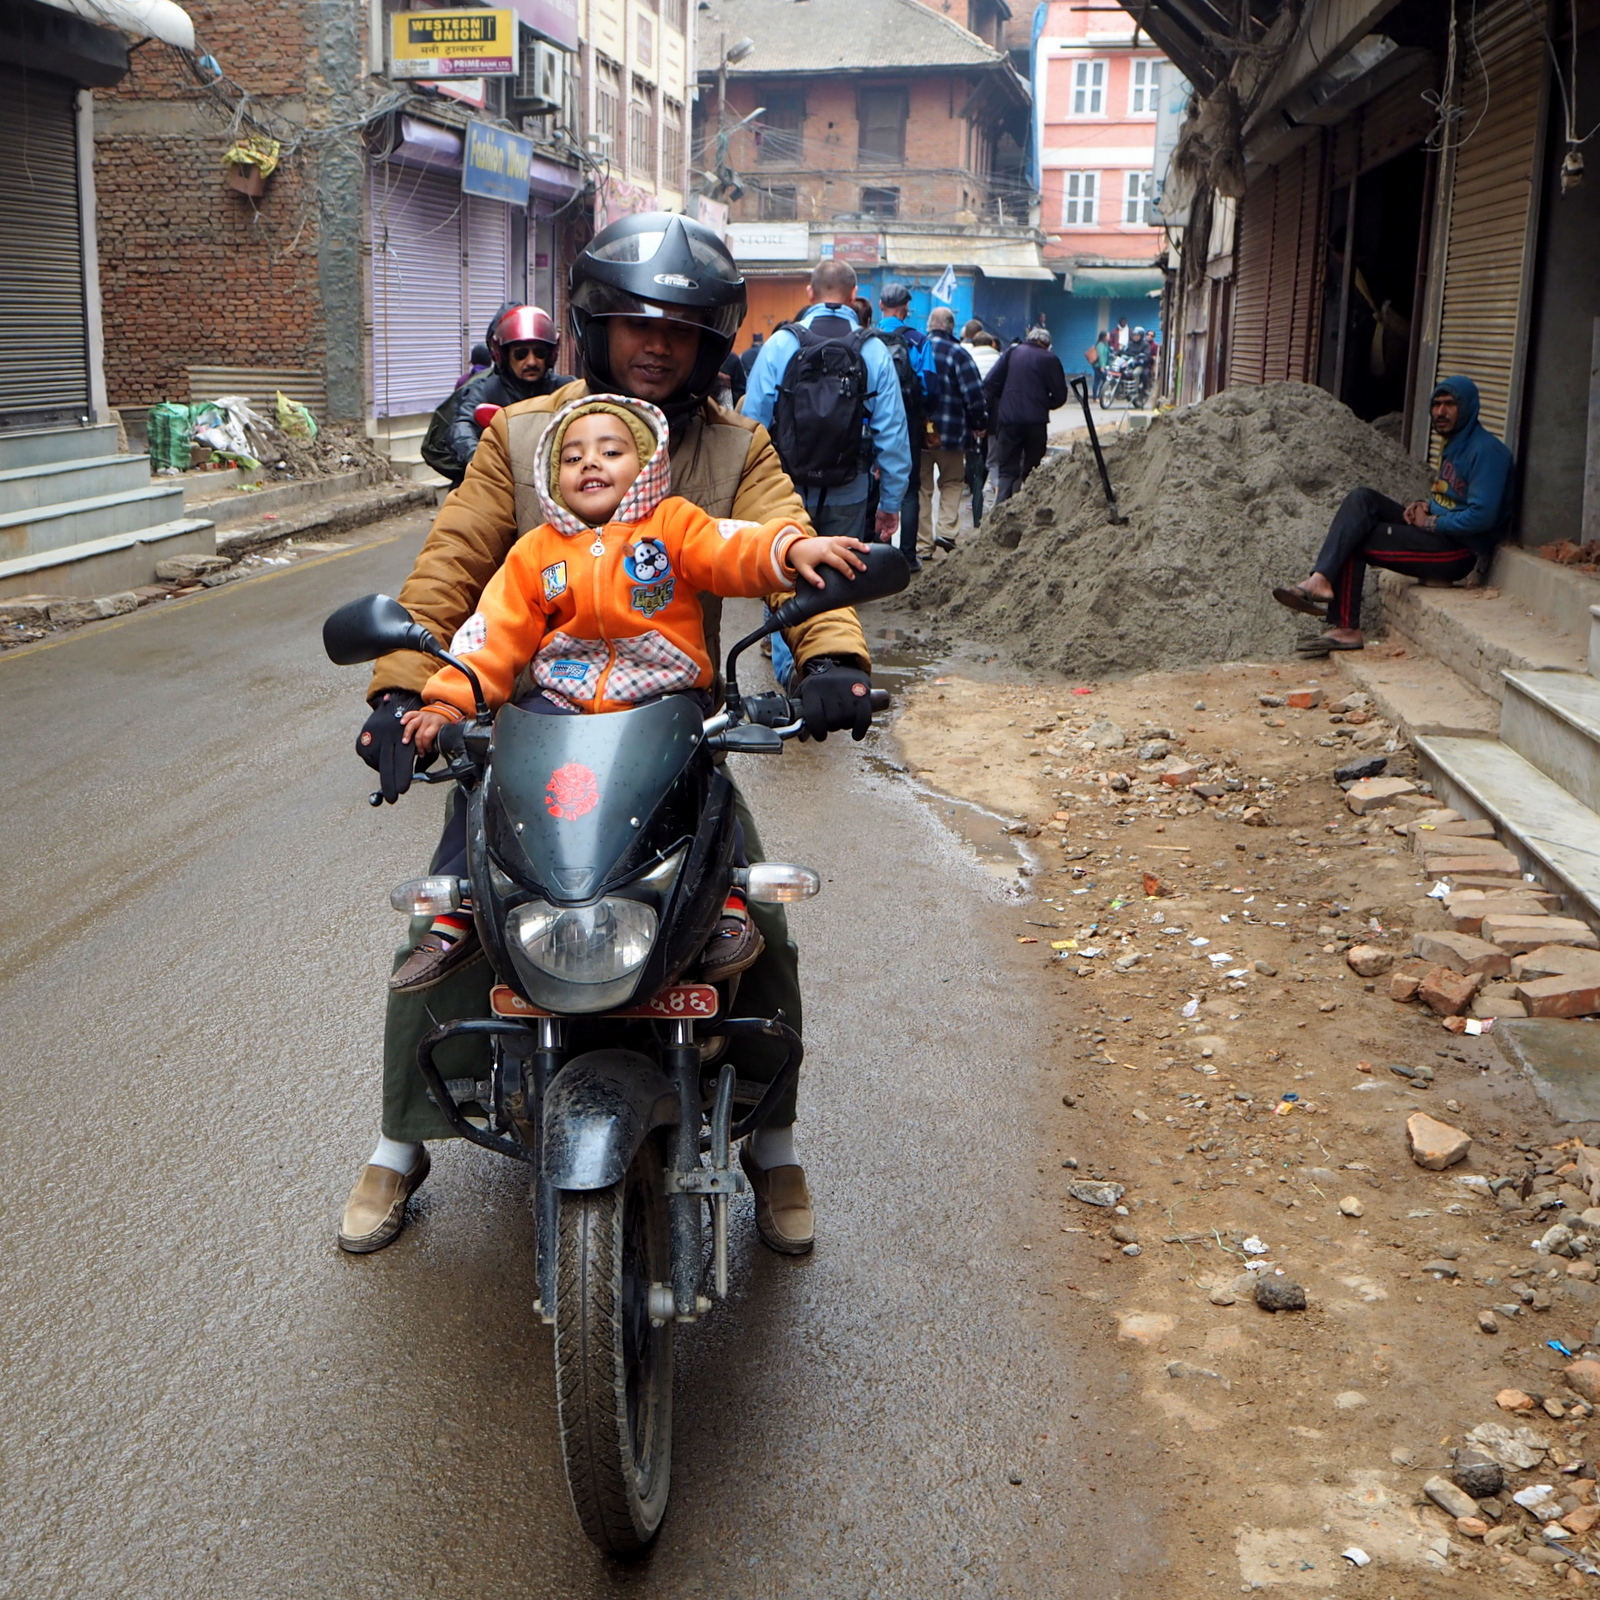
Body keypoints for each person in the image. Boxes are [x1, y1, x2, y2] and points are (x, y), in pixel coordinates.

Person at [343, 213, 877, 1260]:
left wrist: (832, 660)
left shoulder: (734, 446)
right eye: (636, 323)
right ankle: (399, 1141)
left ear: (710, 344)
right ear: (593, 326)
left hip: (670, 734)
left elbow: (783, 549)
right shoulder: (521, 436)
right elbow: (453, 567)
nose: (657, 345)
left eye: (681, 329)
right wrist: (402, 692)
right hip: (535, 732)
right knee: (450, 910)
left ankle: (772, 1143)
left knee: (757, 917)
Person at [396, 395, 869, 986]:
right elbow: (491, 634)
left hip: (662, 697)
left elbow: (732, 546)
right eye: (572, 457)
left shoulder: (673, 525)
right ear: (552, 476)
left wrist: (790, 549)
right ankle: (459, 905)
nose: (590, 463)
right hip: (561, 702)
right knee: (490, 780)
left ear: (646, 465)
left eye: (610, 451)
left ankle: (726, 899)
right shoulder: (535, 551)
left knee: (704, 780)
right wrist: (446, 703)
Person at [1271, 376, 1514, 658]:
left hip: (1459, 551)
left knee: (1358, 539)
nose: (1440, 412)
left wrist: (1432, 522)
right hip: (1437, 532)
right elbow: (1452, 497)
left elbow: (1482, 516)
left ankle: (1346, 628)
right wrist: (1426, 506)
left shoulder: (1487, 452)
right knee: (1362, 499)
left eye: (1450, 404)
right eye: (1436, 404)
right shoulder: (1455, 443)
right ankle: (1320, 578)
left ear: (1468, 407)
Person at [741, 258, 909, 549]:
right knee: (841, 572)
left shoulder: (780, 344)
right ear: (853, 295)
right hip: (849, 489)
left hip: (786, 492)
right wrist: (890, 503)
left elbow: (752, 424)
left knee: (787, 570)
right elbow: (893, 433)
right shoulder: (873, 349)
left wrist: (751, 490)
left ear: (810, 293)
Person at [421, 305, 572, 486]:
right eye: (521, 354)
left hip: (554, 483)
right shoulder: (484, 390)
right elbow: (463, 426)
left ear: (551, 355)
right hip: (498, 483)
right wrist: (480, 462)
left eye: (539, 353)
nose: (531, 361)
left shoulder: (566, 389)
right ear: (504, 356)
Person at [918, 306, 988, 557]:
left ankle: (922, 545)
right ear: (951, 327)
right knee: (952, 481)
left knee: (921, 488)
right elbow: (974, 394)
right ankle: (946, 532)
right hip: (952, 434)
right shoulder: (959, 353)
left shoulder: (917, 349)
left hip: (920, 434)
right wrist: (979, 423)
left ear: (929, 325)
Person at [876, 282, 933, 570]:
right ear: (906, 308)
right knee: (910, 487)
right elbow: (930, 386)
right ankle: (908, 557)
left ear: (881, 305)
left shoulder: (867, 338)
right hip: (908, 421)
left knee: (874, 484)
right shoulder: (919, 341)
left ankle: (877, 554)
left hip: (872, 420)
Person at [983, 325, 1067, 504]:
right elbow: (1060, 396)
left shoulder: (1012, 352)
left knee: (1007, 471)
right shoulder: (1049, 358)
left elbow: (990, 382)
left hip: (1008, 421)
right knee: (1032, 470)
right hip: (1035, 423)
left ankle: (1001, 510)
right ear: (1046, 345)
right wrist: (1043, 404)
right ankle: (1027, 508)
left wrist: (1006, 398)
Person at [1087, 330, 1110, 398]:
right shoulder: (1100, 345)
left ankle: (1100, 395)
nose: (1109, 337)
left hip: (1101, 366)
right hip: (1098, 366)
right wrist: (1102, 366)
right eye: (1108, 335)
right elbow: (1101, 356)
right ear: (1104, 337)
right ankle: (1095, 397)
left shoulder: (1105, 344)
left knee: (1104, 381)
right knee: (1097, 381)